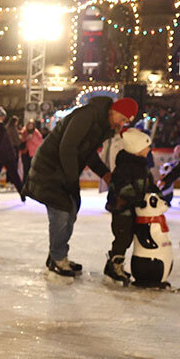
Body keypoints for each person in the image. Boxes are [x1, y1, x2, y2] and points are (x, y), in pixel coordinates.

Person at [25, 95, 137, 277]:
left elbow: (88, 153)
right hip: (49, 169)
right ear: (114, 111)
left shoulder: (102, 126)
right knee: (62, 212)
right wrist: (71, 180)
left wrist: (105, 174)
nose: (121, 124)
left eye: (125, 122)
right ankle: (57, 259)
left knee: (71, 211)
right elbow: (67, 147)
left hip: (62, 172)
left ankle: (57, 255)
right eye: (122, 118)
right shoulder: (88, 115)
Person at [103, 128, 162, 285]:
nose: (149, 150)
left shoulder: (142, 165)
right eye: (146, 147)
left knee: (129, 237)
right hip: (122, 211)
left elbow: (148, 184)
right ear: (137, 149)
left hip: (133, 209)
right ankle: (113, 266)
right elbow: (122, 190)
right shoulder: (124, 167)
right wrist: (137, 199)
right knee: (123, 238)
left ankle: (116, 265)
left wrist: (158, 195)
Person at [0, 115, 23, 203]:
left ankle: (22, 193)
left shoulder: (1, 130)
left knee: (14, 175)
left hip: (8, 155)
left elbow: (0, 143)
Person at [20, 120, 44, 185]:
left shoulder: (36, 133)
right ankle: (25, 184)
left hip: (33, 153)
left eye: (31, 125)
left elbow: (40, 142)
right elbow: (20, 141)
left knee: (32, 169)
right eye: (29, 125)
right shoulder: (24, 132)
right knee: (25, 169)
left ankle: (32, 184)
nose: (30, 127)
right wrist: (26, 139)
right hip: (25, 153)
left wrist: (32, 138)